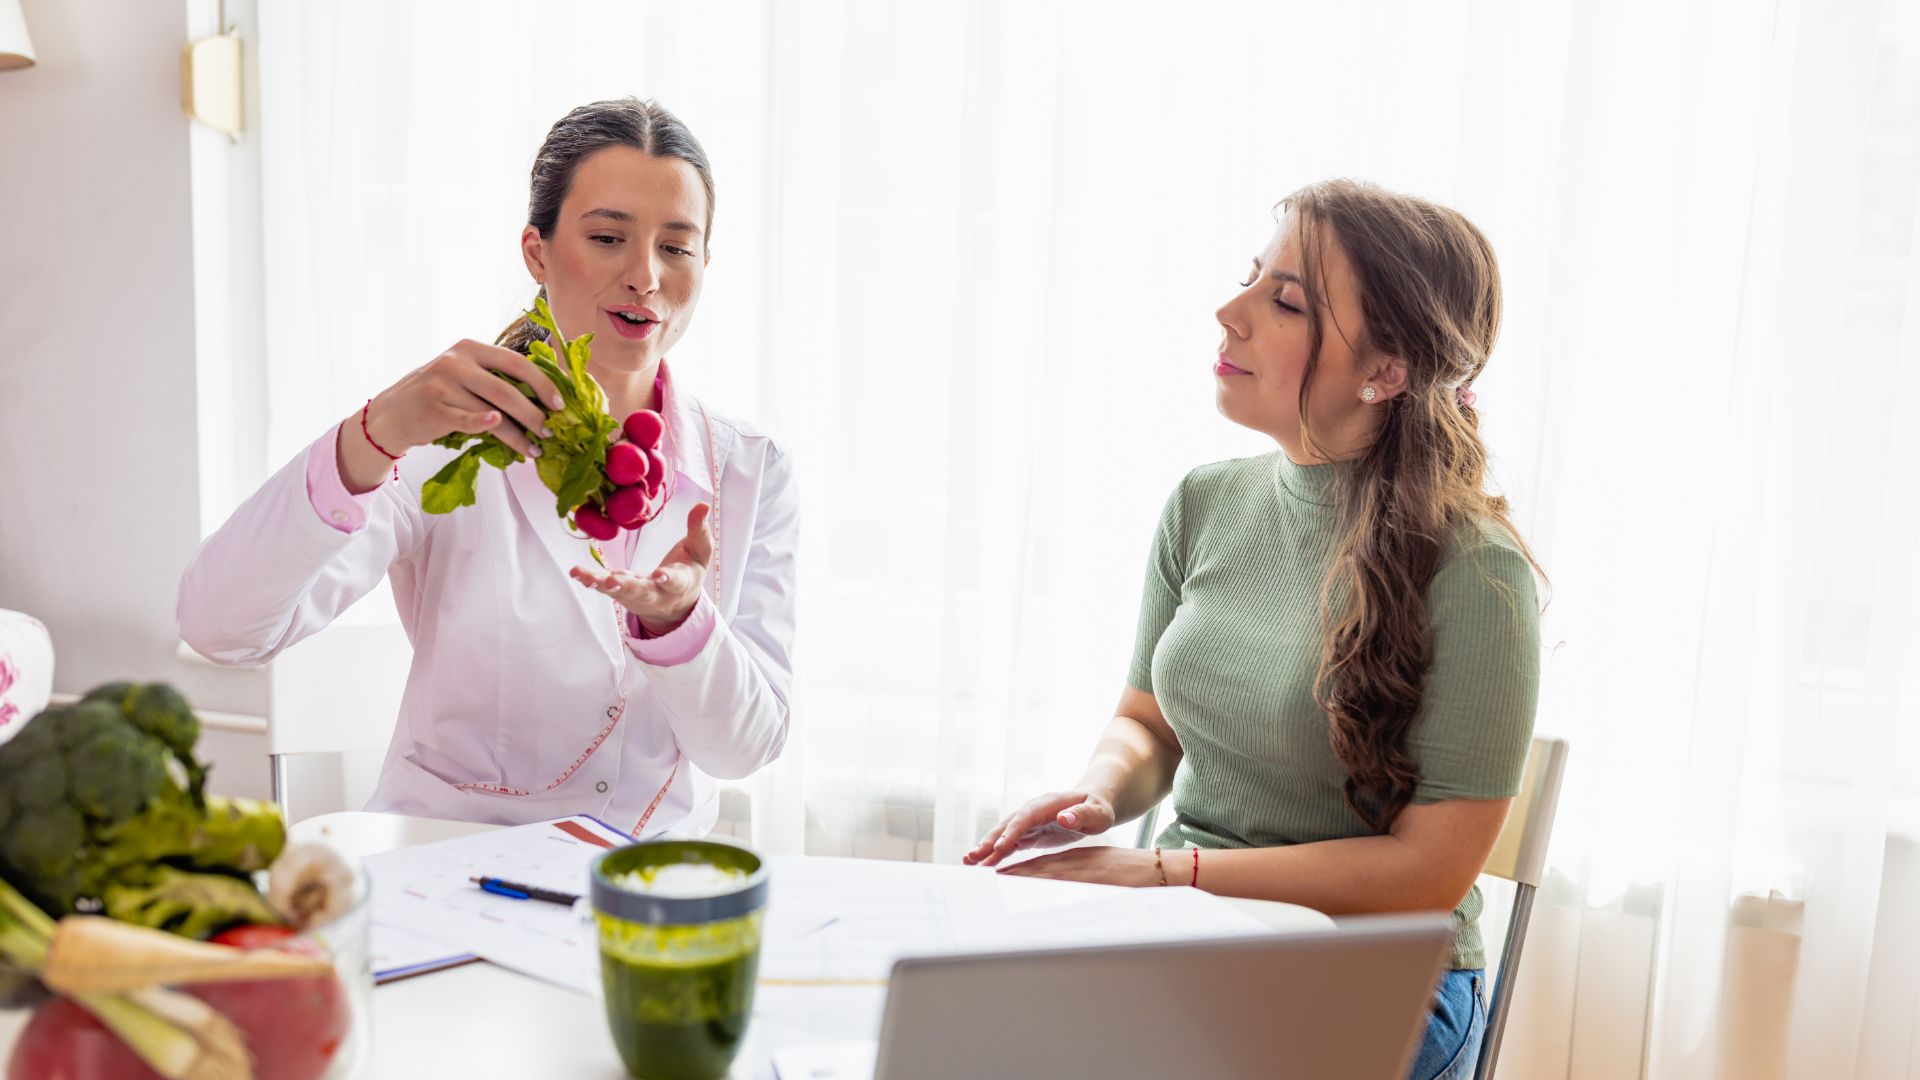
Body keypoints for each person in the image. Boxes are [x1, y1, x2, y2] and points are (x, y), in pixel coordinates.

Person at [965, 179, 1543, 1080]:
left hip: (1378, 971)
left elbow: (1428, 873)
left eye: (1284, 302)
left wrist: (1171, 875)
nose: (1230, 313)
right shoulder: (1204, 503)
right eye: (1250, 279)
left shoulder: (1477, 572)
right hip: (1193, 927)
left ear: (1386, 371)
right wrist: (1097, 797)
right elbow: (1147, 724)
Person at [179, 98, 797, 838]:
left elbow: (745, 750)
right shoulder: (438, 441)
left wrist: (679, 624)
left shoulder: (750, 470)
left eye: (676, 247)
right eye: (606, 237)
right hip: (448, 873)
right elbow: (220, 627)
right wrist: (372, 437)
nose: (644, 275)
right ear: (537, 251)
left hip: (644, 890)